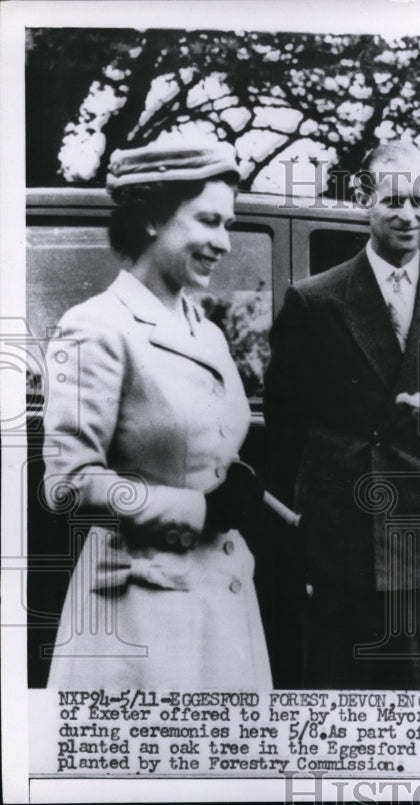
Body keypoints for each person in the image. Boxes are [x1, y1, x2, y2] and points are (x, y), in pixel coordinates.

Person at [43, 140, 272, 690]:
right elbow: (67, 485)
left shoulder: (209, 331)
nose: (222, 242)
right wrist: (193, 507)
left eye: (228, 223)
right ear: (150, 220)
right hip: (139, 615)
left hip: (224, 601)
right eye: (208, 221)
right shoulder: (95, 326)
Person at [264, 142, 420, 690]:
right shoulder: (314, 300)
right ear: (365, 201)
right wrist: (301, 533)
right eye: (393, 200)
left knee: (413, 706)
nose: (408, 214)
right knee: (334, 698)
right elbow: (284, 425)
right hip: (341, 537)